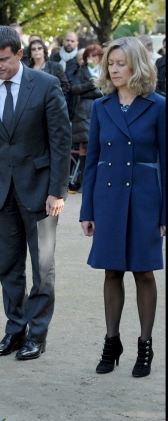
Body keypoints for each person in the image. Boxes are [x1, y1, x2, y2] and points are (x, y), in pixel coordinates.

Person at [0, 26, 71, 360]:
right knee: (8, 267)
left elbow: (61, 141)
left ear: (19, 54)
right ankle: (15, 330)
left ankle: (37, 335)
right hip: (0, 192)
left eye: (3, 59)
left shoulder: (46, 85)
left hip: (42, 191)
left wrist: (58, 191)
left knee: (43, 268)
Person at [79, 36, 165, 378]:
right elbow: (92, 160)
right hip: (109, 198)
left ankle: (145, 345)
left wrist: (165, 213)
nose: (114, 70)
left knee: (144, 272)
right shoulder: (101, 106)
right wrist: (87, 209)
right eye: (110, 64)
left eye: (120, 64)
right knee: (111, 271)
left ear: (137, 66)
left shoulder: (158, 105)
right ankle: (111, 342)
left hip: (145, 198)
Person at [69, 44, 104, 193]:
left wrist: (88, 91)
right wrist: (91, 85)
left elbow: (106, 91)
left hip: (101, 108)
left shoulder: (105, 70)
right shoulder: (82, 70)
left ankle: (99, 182)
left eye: (94, 56)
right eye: (89, 56)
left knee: (99, 145)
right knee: (84, 147)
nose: (91, 59)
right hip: (84, 111)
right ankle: (84, 182)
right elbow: (75, 89)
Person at [50, 31, 80, 120]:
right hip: (56, 97)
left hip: (73, 100)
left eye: (72, 41)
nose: (69, 43)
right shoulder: (54, 57)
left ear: (77, 43)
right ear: (63, 41)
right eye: (67, 40)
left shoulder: (79, 59)